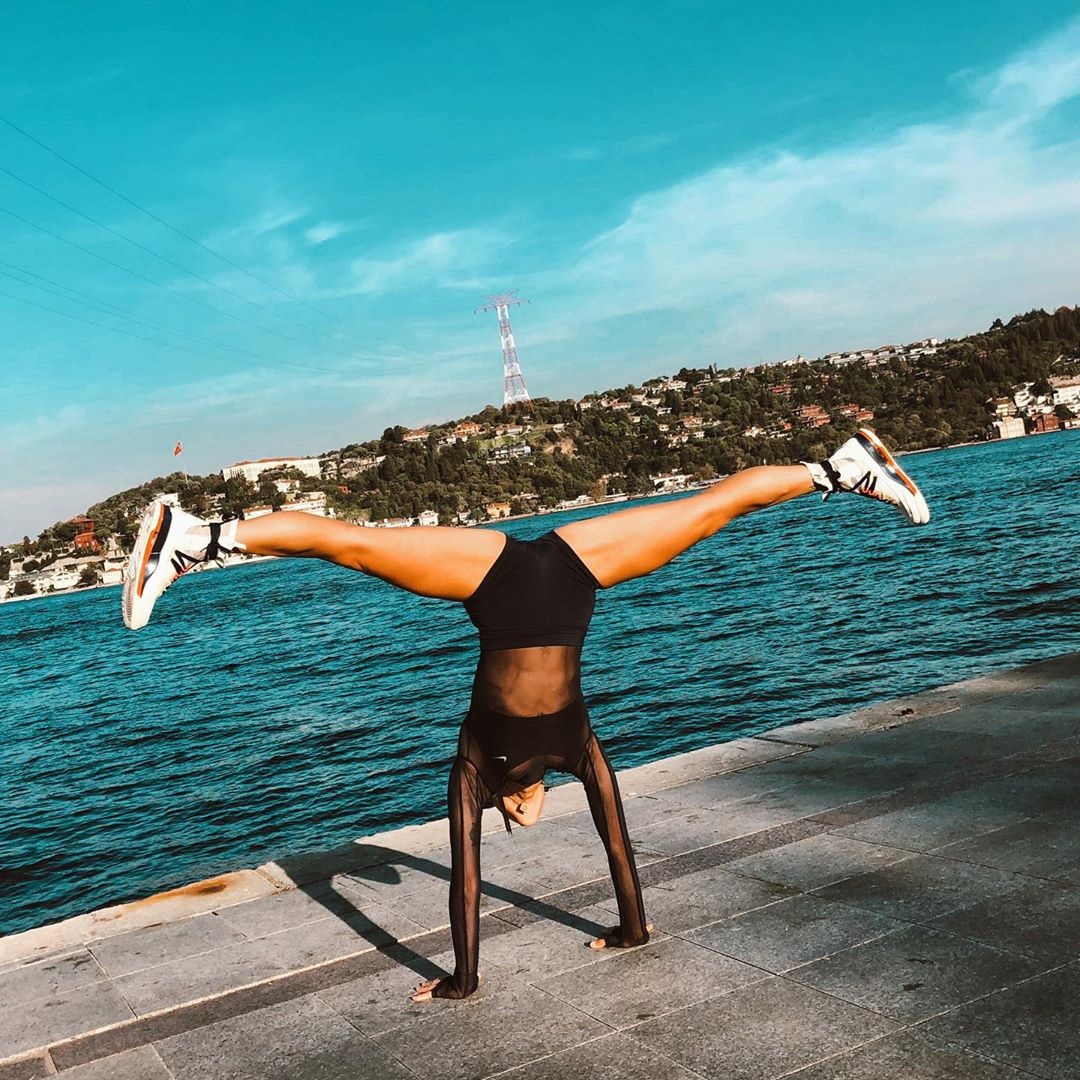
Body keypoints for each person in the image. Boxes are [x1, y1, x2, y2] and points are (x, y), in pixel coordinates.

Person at [121, 428, 929, 1000]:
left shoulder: (486, 765)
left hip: (511, 577)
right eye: (522, 812)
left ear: (512, 800)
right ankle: (837, 469)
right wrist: (628, 931)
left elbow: (482, 875)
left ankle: (198, 538)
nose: (521, 813)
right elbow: (602, 848)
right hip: (565, 572)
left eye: (515, 814)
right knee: (706, 511)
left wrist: (467, 980)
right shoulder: (572, 750)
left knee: (354, 543)